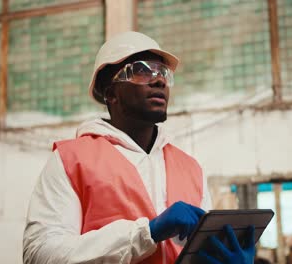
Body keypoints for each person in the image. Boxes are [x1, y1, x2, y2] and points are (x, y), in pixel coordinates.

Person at [23, 31, 255, 264]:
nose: (159, 80)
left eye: (163, 72)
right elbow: (39, 254)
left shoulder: (190, 168)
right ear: (111, 93)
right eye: (142, 70)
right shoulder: (71, 159)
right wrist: (147, 233)